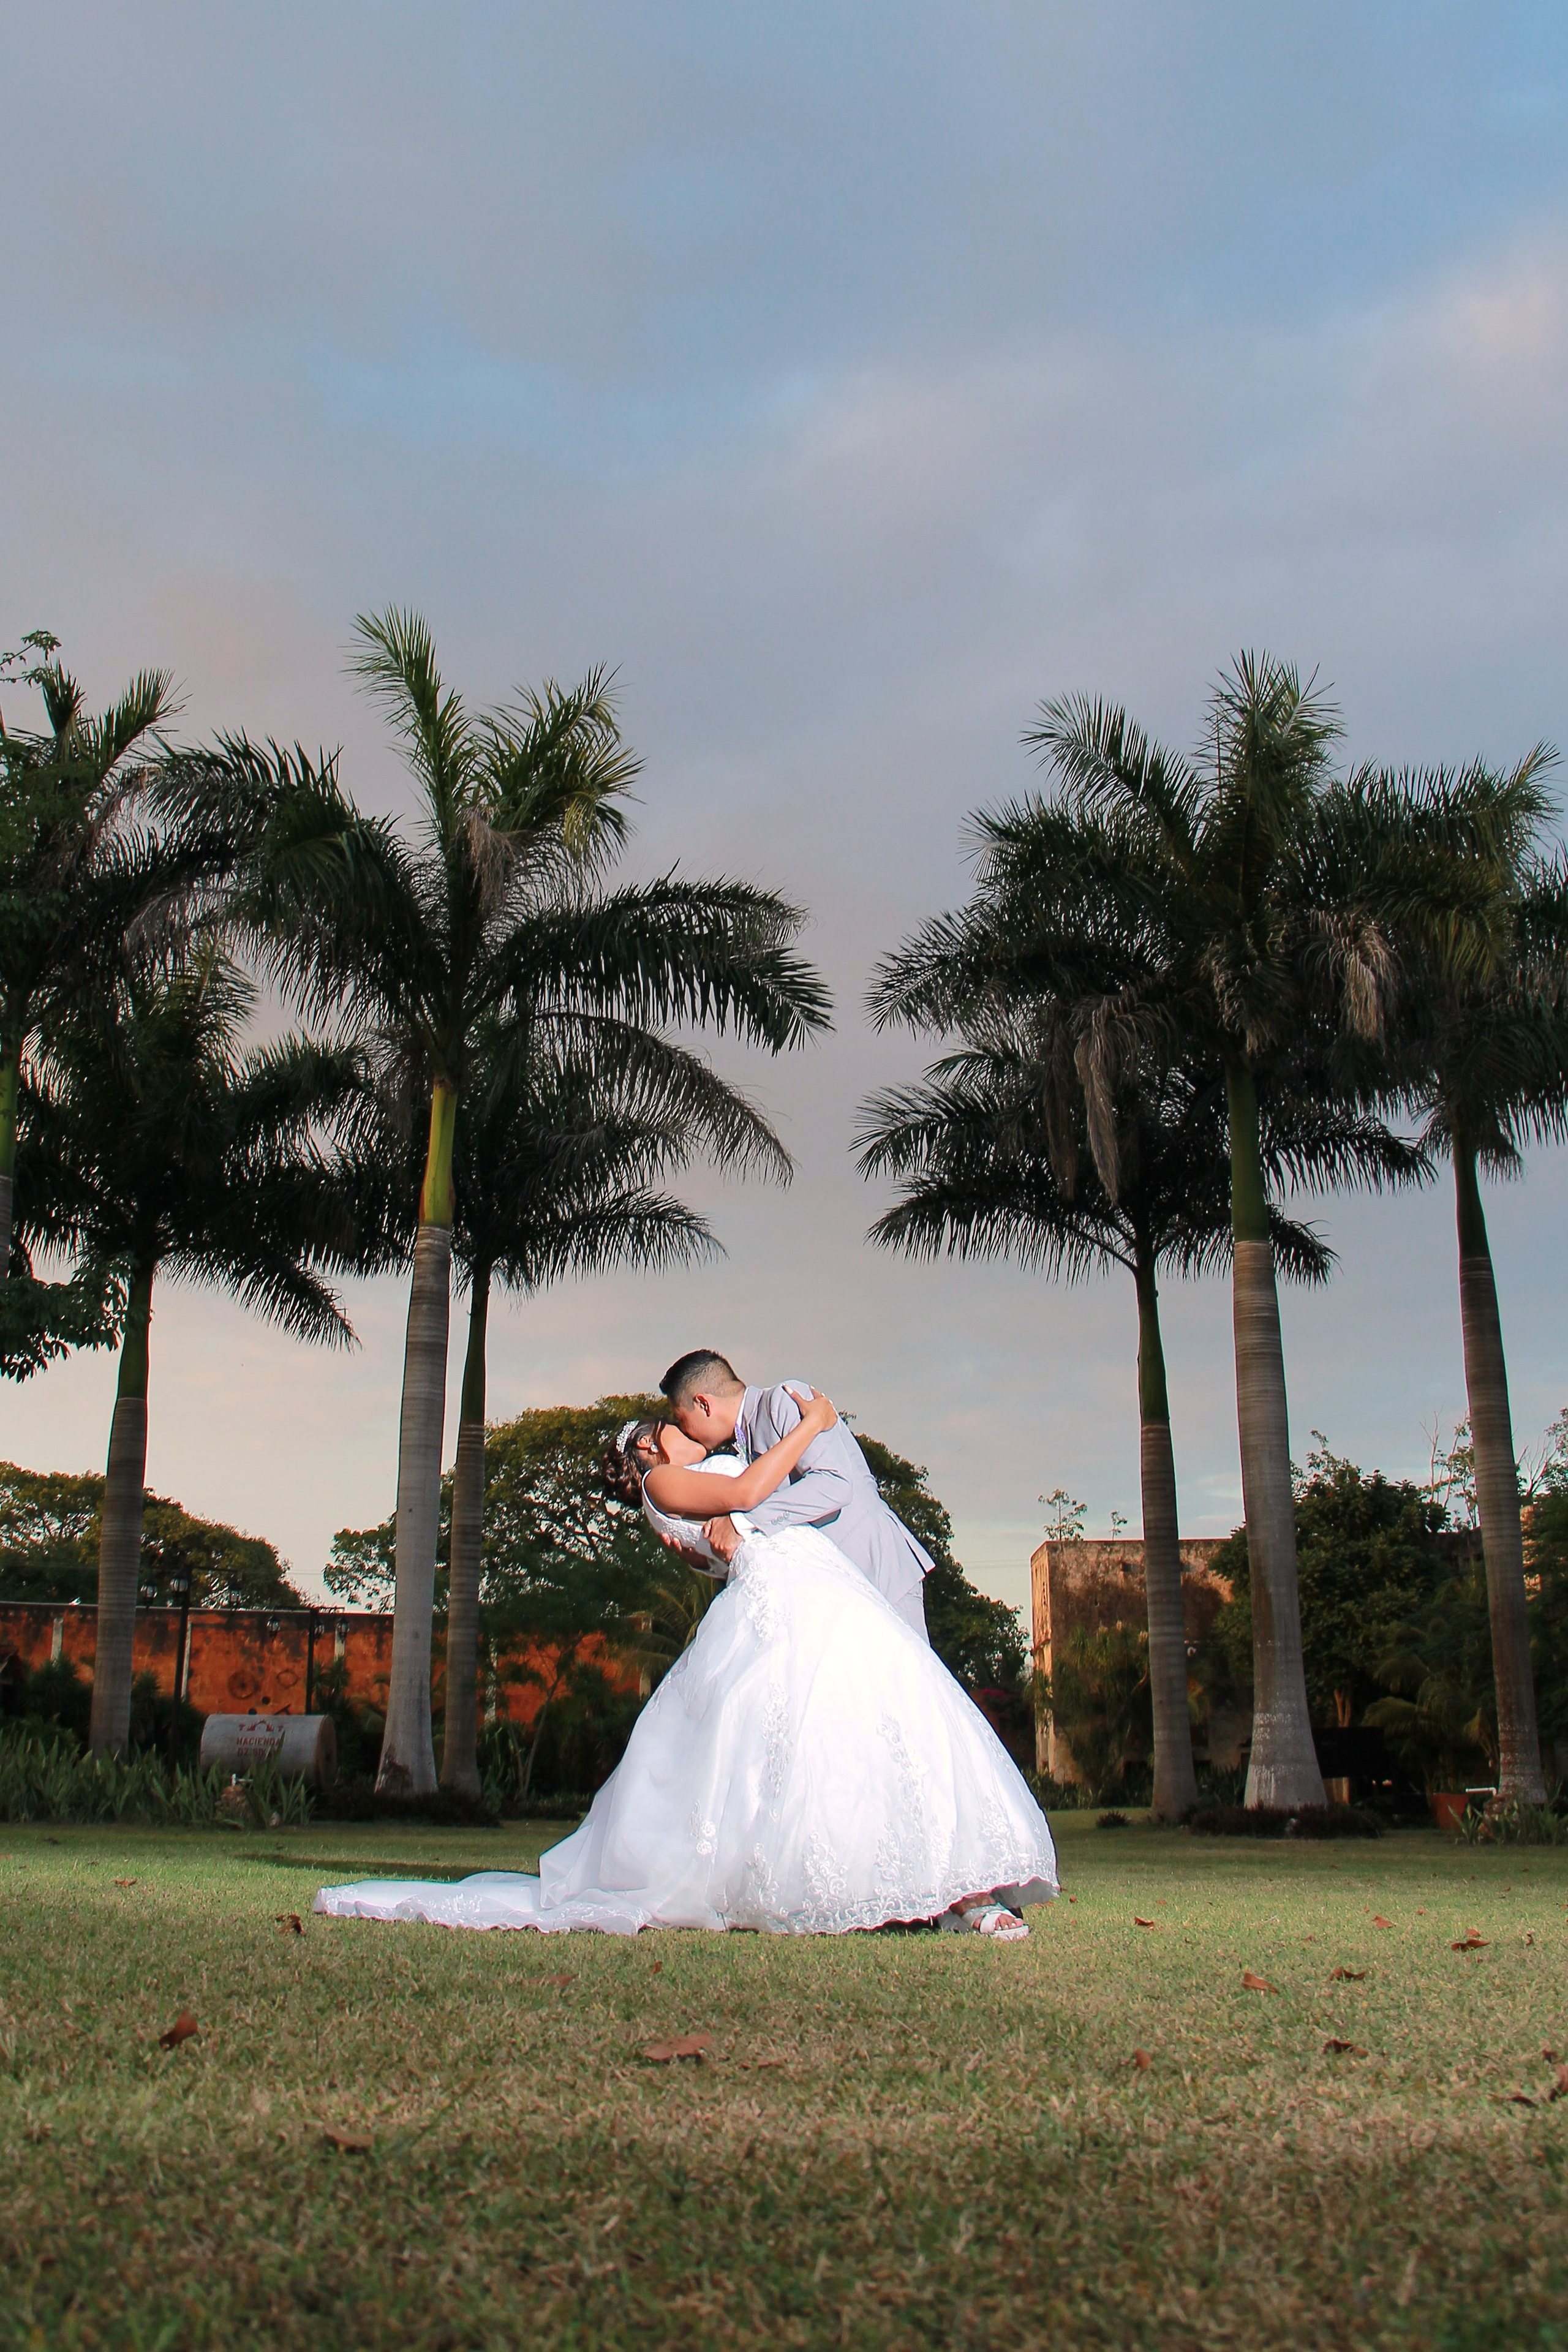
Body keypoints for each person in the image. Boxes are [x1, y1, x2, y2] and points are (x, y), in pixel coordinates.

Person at [314, 1390, 1056, 1940]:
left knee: (877, 1735)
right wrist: (813, 1426)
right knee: (825, 1740)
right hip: (787, 1605)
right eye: (667, 1428)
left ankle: (943, 1887)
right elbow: (744, 1493)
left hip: (822, 1592)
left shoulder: (698, 1474)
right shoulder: (665, 1487)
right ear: (650, 1452)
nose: (680, 1428)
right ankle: (939, 1897)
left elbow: (750, 1507)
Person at [660, 1349, 933, 1638]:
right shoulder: (745, 1444)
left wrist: (743, 1522)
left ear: (703, 1404)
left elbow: (834, 1484)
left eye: (681, 1419)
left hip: (877, 1570)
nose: (685, 1431)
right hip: (835, 1590)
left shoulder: (785, 1399)